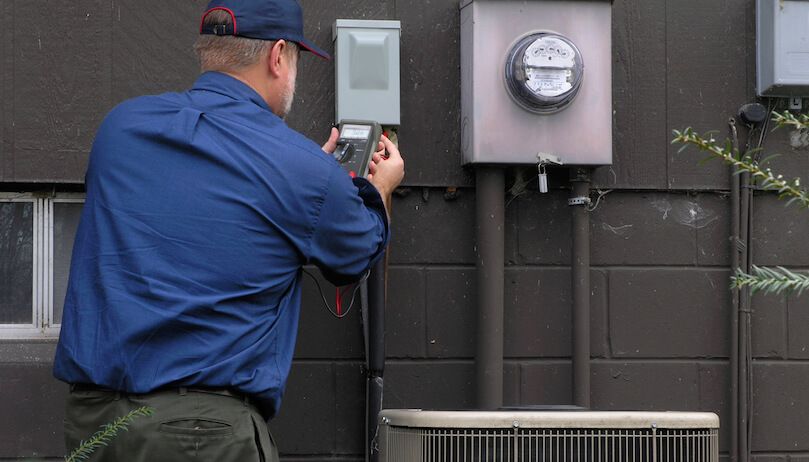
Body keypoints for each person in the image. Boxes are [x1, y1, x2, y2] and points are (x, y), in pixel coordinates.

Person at [52, 0, 404, 460]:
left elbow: (202, 195)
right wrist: (377, 190)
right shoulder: (302, 170)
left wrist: (305, 182)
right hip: (201, 433)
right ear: (278, 56)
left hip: (95, 425)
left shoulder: (121, 128)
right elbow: (356, 255)